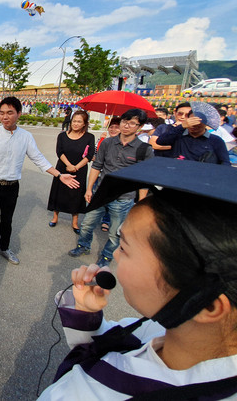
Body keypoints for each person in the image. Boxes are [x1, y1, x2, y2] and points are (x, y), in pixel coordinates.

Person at [39, 158, 237, 400]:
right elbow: (120, 344)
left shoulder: (87, 394)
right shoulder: (165, 329)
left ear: (207, 305)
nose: (116, 258)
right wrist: (87, 313)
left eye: (124, 248)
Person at [0, 97, 80, 269]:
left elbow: (39, 159)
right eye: (2, 113)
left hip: (11, 187)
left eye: (10, 113)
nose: (5, 117)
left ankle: (4, 248)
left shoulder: (25, 137)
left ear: (19, 113)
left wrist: (59, 175)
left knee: (7, 221)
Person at [68, 109, 153, 267]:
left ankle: (107, 256)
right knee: (87, 224)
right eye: (124, 122)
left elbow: (144, 179)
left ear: (139, 127)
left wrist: (141, 202)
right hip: (100, 193)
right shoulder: (107, 143)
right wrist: (89, 189)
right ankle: (83, 246)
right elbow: (97, 166)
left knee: (115, 233)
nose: (126, 126)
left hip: (124, 198)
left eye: (131, 123)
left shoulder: (144, 150)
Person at [47, 111, 95, 233]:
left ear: (84, 123)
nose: (76, 124)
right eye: (74, 121)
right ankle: (55, 217)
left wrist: (76, 167)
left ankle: (75, 221)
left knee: (76, 194)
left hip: (80, 170)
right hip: (63, 168)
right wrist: (68, 165)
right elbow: (59, 152)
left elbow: (89, 155)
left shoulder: (89, 137)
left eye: (79, 121)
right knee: (59, 192)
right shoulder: (62, 135)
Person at [156, 109, 230, 165]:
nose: (194, 125)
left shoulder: (216, 140)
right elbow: (160, 141)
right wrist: (181, 127)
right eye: (192, 121)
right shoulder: (178, 135)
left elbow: (225, 162)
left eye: (198, 122)